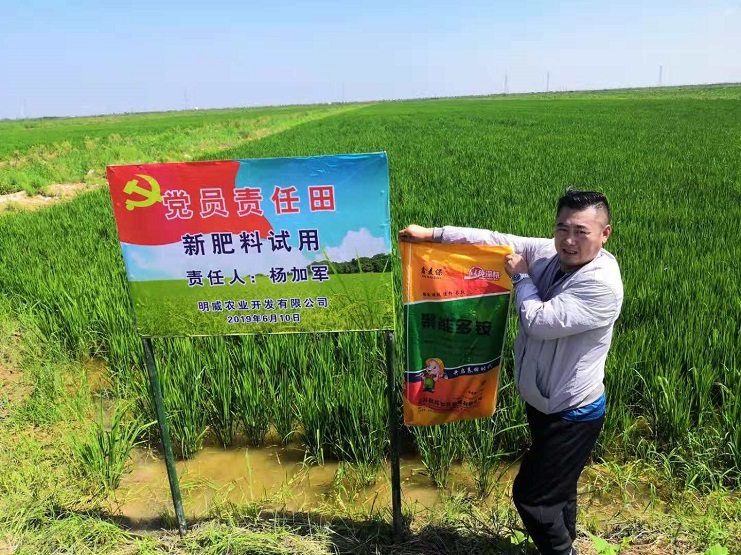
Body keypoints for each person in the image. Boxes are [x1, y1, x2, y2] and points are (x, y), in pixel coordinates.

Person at [398, 189, 623, 555]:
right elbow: (496, 240)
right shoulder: (550, 253)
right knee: (559, 489)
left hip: (572, 412)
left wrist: (521, 279)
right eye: (562, 228)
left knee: (534, 498)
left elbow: (539, 321)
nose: (569, 240)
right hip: (543, 402)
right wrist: (433, 235)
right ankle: (565, 544)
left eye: (581, 231)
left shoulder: (601, 286)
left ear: (604, 233)